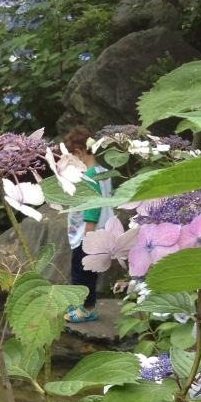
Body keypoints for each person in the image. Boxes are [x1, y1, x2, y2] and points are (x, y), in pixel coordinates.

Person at [62, 128, 112, 324]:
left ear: (78, 152)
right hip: (102, 231)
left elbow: (93, 206)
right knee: (91, 271)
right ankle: (85, 305)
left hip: (87, 234)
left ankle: (86, 309)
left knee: (81, 271)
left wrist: (88, 233)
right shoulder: (104, 172)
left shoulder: (89, 176)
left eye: (71, 159)